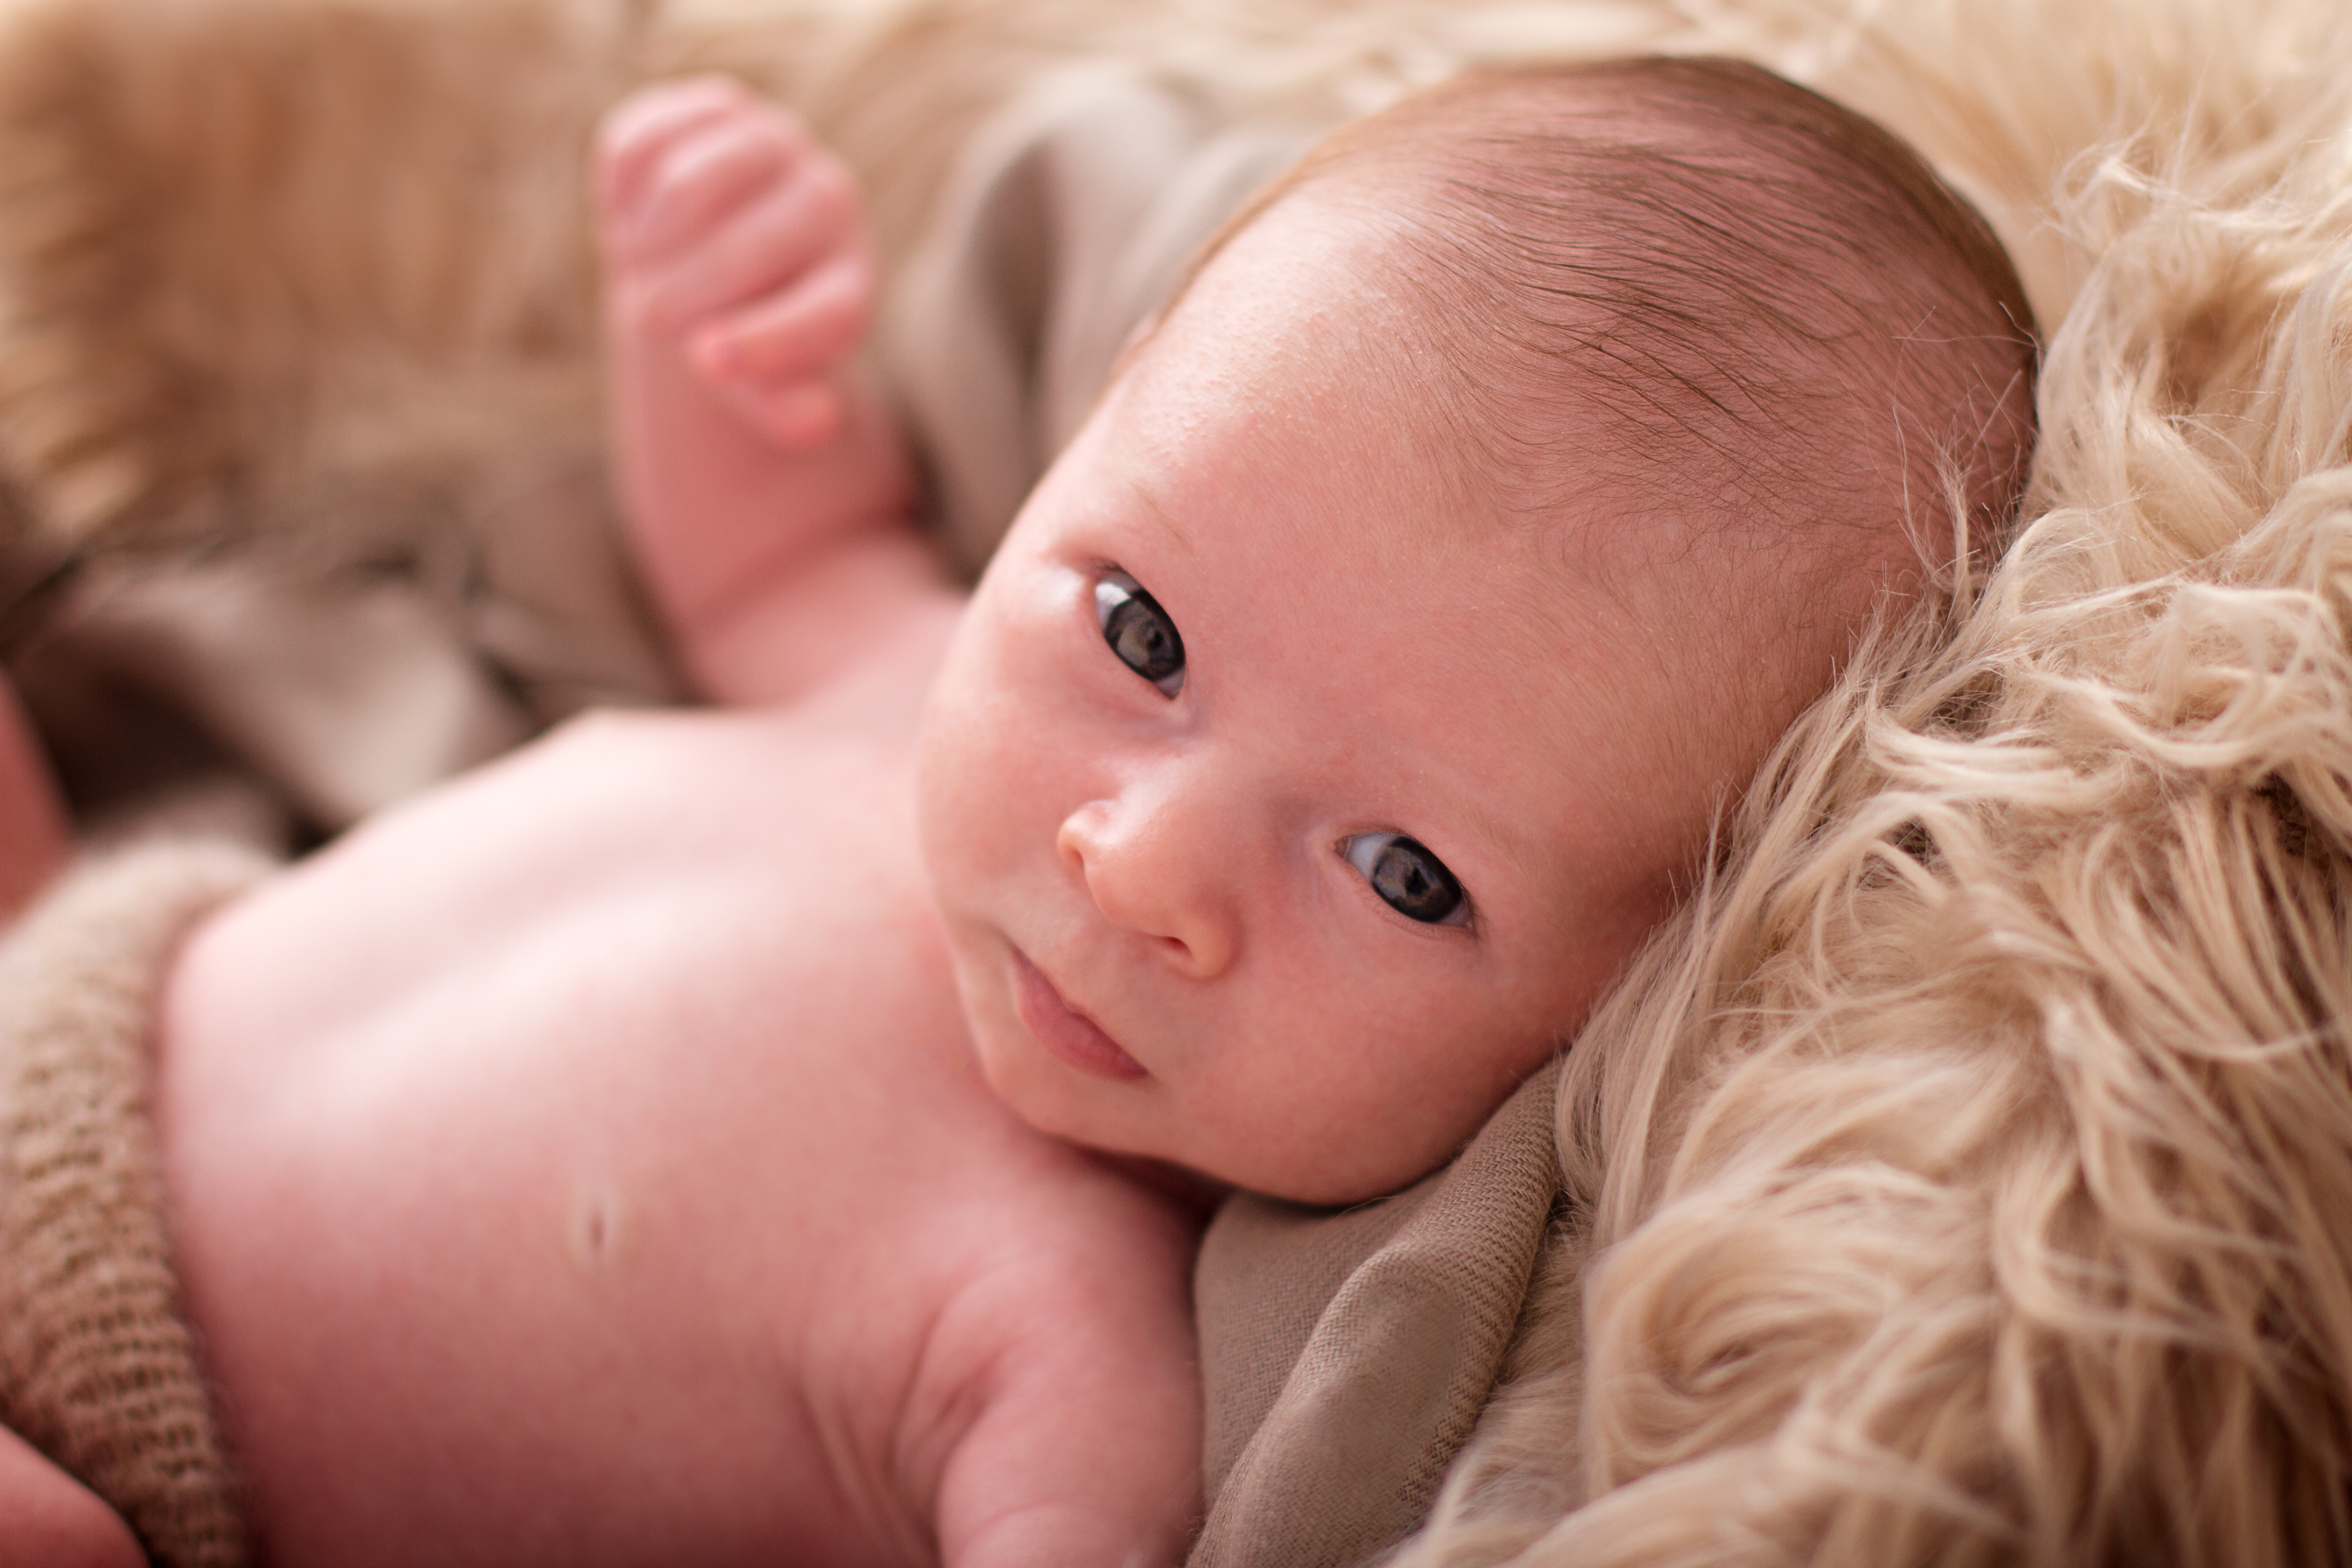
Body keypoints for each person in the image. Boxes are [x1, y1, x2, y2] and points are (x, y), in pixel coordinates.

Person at [0, 54, 2035, 1567]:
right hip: (74, 943)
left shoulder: (1059, 1347)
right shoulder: (897, 681)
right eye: (1143, 631)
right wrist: (710, 340)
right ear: (1101, 425)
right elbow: (769, 554)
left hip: (93, 1437)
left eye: (1405, 875)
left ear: (1621, 993)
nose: (1139, 866)